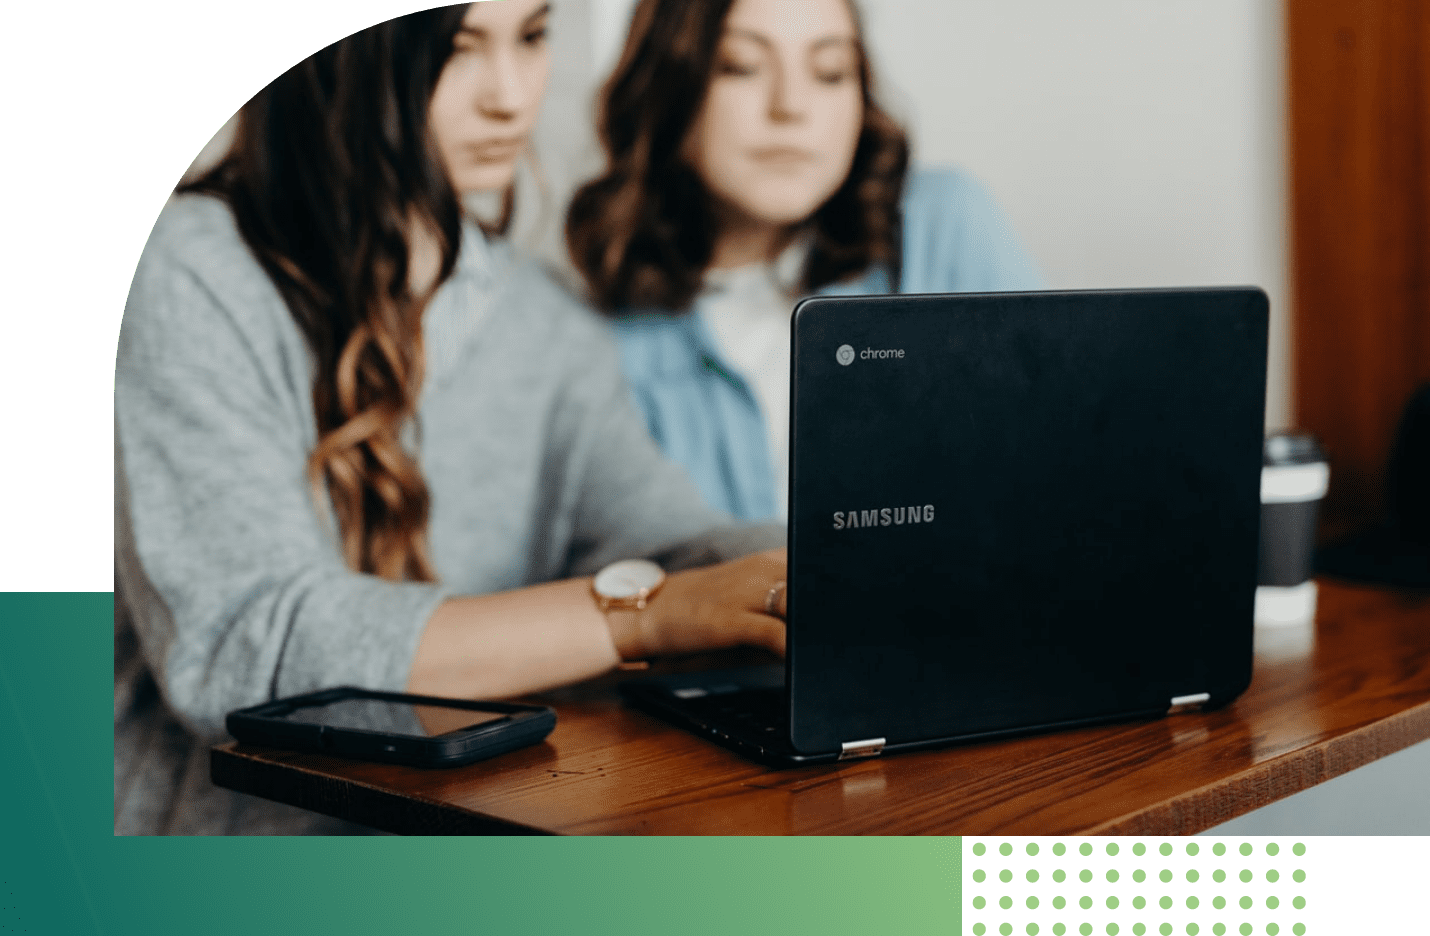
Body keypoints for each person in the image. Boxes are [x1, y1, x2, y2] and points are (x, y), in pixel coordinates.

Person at [114, 1, 787, 836]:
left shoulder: (547, 322)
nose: (510, 96)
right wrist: (644, 617)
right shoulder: (192, 273)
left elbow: (670, 538)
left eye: (533, 37)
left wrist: (813, 566)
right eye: (460, 48)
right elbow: (248, 651)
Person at [567, 0, 1044, 521]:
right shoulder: (590, 337)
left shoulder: (943, 227)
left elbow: (1062, 461)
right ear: (664, 85)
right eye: (741, 67)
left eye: (830, 72)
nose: (791, 107)